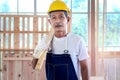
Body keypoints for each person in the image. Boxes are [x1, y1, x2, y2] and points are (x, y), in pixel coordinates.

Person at [32, 0, 90, 80]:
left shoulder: (77, 41)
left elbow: (85, 68)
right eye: (54, 18)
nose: (57, 21)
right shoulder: (46, 41)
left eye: (61, 17)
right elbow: (34, 66)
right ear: (50, 21)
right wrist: (38, 51)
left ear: (68, 19)